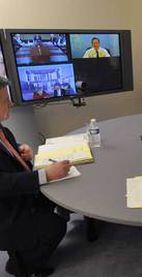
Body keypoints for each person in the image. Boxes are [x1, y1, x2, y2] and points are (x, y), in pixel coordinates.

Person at [0, 76, 72, 276]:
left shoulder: (4, 130)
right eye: (6, 100)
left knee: (63, 195)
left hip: (18, 196)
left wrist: (24, 155)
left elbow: (11, 164)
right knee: (55, 226)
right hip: (6, 213)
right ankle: (24, 265)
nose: (12, 104)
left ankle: (24, 253)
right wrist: (45, 174)